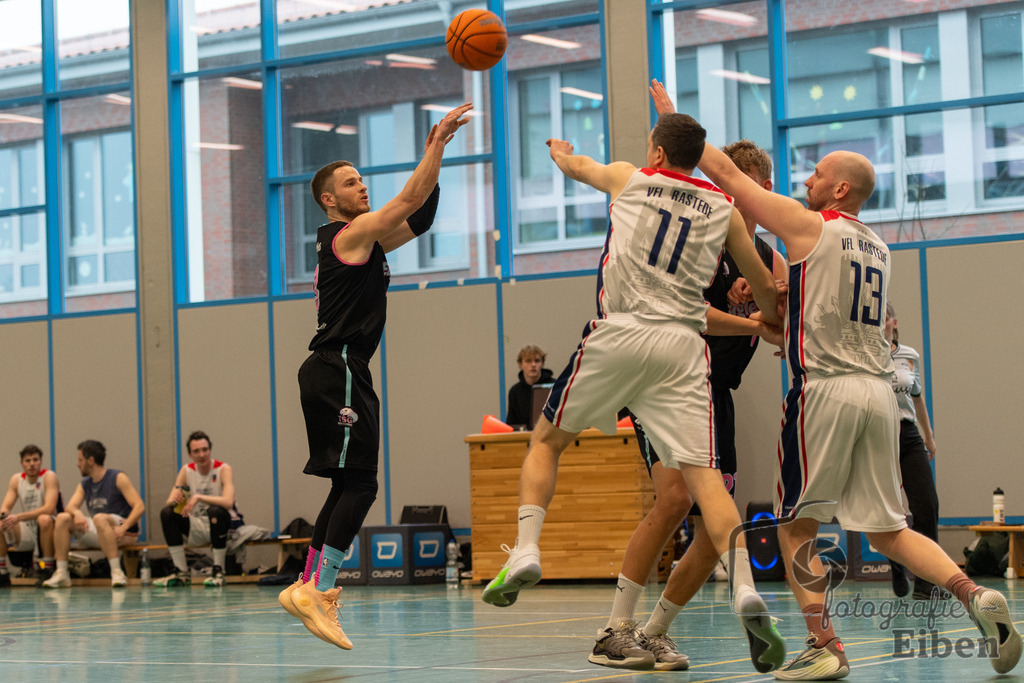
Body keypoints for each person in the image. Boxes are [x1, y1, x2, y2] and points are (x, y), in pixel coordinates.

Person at [657, 76, 1022, 678]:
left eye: (817, 174)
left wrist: (676, 124)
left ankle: (825, 648)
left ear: (841, 188)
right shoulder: (877, 247)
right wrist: (780, 301)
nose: (805, 181)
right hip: (880, 394)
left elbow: (728, 178)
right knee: (888, 530)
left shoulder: (808, 226)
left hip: (823, 391)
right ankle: (974, 595)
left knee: (796, 527)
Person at [480, 111, 789, 675]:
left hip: (621, 331)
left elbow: (577, 166)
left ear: (656, 152)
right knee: (700, 483)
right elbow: (769, 291)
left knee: (546, 442)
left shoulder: (631, 176)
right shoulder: (722, 212)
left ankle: (527, 548)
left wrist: (558, 149)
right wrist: (769, 319)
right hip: (682, 348)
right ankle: (743, 585)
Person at [277, 102, 473, 650]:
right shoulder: (350, 235)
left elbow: (421, 216)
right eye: (350, 182)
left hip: (337, 369)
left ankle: (307, 584)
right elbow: (408, 199)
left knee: (348, 482)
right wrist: (435, 143)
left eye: (362, 179)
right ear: (328, 199)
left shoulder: (363, 240)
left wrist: (437, 164)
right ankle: (323, 587)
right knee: (362, 482)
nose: (361, 186)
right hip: (337, 366)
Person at [589, 139, 787, 672]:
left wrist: (776, 299)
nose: (720, 195)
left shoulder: (768, 257)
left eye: (734, 188)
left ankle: (654, 632)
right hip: (664, 383)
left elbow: (782, 326)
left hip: (714, 393)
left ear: (761, 193)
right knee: (674, 498)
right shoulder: (699, 235)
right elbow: (689, 312)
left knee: (710, 528)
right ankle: (614, 629)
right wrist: (749, 315)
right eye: (719, 185)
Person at [883, 302, 942, 600]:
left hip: (908, 434)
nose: (881, 326)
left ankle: (926, 581)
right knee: (891, 509)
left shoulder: (909, 356)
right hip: (879, 436)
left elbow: (917, 399)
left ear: (894, 322)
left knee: (927, 504)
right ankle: (896, 563)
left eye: (885, 320)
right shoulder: (865, 356)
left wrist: (929, 438)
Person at [42, 440, 145, 589]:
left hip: (124, 530)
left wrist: (123, 528)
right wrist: (77, 513)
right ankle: (62, 573)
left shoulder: (117, 477)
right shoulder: (85, 483)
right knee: (63, 518)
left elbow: (139, 506)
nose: (78, 464)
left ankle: (117, 572)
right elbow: (71, 506)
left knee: (99, 517)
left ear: (91, 460)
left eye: (80, 460)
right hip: (101, 528)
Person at [153, 430, 240, 588]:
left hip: (222, 525)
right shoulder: (186, 470)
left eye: (205, 449)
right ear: (190, 454)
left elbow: (228, 502)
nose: (201, 454)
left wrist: (199, 497)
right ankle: (181, 572)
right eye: (196, 451)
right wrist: (175, 500)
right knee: (167, 513)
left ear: (210, 450)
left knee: (215, 510)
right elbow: (168, 502)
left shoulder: (223, 469)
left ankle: (219, 571)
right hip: (196, 526)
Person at [0, 445, 61, 587]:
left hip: (50, 528)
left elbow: (49, 508)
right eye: (28, 460)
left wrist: (18, 517)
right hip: (29, 529)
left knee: (44, 518)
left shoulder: (49, 477)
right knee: (1, 522)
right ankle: (2, 571)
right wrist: (3, 517)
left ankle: (48, 568)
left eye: (35, 460)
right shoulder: (17, 480)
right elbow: (5, 507)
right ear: (22, 464)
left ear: (40, 461)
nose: (32, 464)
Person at [505, 345, 554, 428]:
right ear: (520, 364)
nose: (533, 364)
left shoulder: (555, 386)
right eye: (528, 361)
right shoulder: (515, 391)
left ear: (542, 364)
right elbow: (511, 424)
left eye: (537, 361)